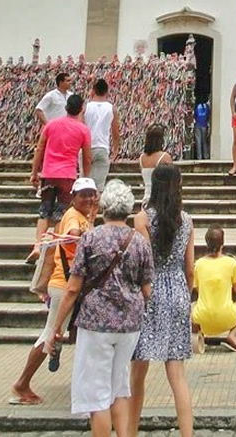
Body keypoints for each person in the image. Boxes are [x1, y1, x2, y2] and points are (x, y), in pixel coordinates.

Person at [49, 180, 153, 437]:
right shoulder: (139, 242)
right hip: (130, 324)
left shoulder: (91, 238)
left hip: (96, 323)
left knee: (97, 396)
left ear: (104, 206)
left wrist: (57, 326)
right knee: (119, 388)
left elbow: (73, 288)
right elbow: (147, 290)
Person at [11, 177, 99, 404]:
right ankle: (22, 384)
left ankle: (85, 380)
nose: (88, 198)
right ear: (73, 197)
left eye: (92, 193)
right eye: (83, 194)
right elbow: (72, 232)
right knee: (50, 333)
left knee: (79, 332)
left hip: (73, 284)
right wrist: (77, 235)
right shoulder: (72, 216)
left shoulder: (83, 216)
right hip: (64, 284)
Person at [130, 163, 195, 437]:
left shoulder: (142, 219)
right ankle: (187, 433)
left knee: (138, 372)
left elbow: (144, 263)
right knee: (177, 373)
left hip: (151, 291)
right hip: (178, 289)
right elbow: (190, 267)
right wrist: (187, 293)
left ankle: (128, 431)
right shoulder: (187, 220)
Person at [28, 93, 92, 261]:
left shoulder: (51, 125)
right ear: (81, 109)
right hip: (67, 176)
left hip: (48, 173)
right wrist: (86, 178)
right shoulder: (83, 130)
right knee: (61, 214)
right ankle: (51, 250)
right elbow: (87, 158)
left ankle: (37, 245)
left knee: (44, 212)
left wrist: (34, 172)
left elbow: (39, 149)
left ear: (66, 108)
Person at [192, 225, 236, 352]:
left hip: (203, 318)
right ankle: (232, 335)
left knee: (189, 308)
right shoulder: (231, 263)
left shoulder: (198, 264)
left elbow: (197, 289)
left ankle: (198, 335)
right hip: (227, 317)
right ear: (222, 244)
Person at [85, 79, 120, 192]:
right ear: (107, 91)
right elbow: (115, 131)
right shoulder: (111, 108)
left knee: (85, 183)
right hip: (102, 147)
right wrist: (116, 149)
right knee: (99, 187)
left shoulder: (85, 107)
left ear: (93, 90)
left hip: (86, 147)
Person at [140, 125, 173, 208]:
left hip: (146, 197)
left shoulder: (142, 158)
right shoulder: (165, 157)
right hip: (161, 199)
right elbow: (172, 179)